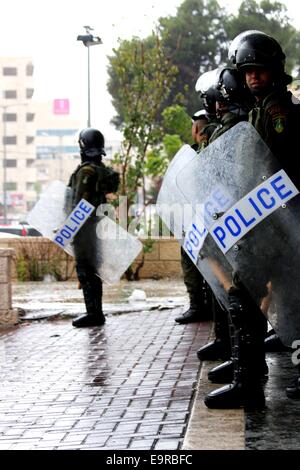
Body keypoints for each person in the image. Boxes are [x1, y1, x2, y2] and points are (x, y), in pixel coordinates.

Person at [205, 31, 297, 408]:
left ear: (274, 70)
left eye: (259, 70)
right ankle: (248, 381)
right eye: (248, 73)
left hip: (279, 220)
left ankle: (248, 384)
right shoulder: (260, 110)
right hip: (264, 219)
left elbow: (273, 165)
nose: (253, 78)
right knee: (259, 296)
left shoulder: (279, 112)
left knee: (248, 294)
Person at [68, 128, 119, 328]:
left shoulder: (86, 171)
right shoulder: (102, 171)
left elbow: (78, 203)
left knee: (86, 271)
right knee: (94, 271)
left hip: (84, 229)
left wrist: (70, 228)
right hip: (98, 227)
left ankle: (94, 314)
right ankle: (96, 312)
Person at [175, 110, 217, 324]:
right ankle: (211, 304)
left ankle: (198, 306)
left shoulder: (195, 154)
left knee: (191, 261)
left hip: (198, 219)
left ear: (195, 130)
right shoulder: (218, 147)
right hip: (213, 216)